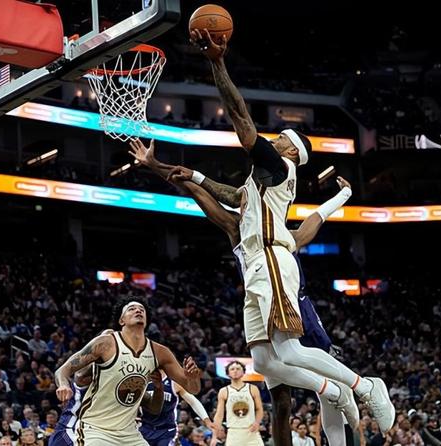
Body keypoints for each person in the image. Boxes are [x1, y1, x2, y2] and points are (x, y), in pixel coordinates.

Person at [129, 139, 357, 445]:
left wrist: (343, 195)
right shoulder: (238, 230)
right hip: (265, 307)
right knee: (282, 401)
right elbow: (197, 192)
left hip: (300, 311)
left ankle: (353, 407)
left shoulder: (283, 237)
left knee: (330, 393)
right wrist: (156, 166)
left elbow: (314, 220)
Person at [54, 297, 202, 446]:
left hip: (129, 434)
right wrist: (63, 385)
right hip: (96, 429)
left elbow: (191, 390)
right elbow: (63, 370)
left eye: (142, 309)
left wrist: (191, 378)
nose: (138, 310)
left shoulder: (160, 353)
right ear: (121, 320)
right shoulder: (105, 343)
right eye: (131, 309)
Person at [139, 371, 215, 446]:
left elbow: (193, 402)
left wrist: (206, 420)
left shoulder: (174, 382)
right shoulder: (142, 380)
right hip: (145, 427)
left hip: (167, 430)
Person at [211, 361, 264, 446]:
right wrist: (214, 436)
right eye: (232, 369)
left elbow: (259, 409)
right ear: (228, 374)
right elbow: (219, 415)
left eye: (238, 369)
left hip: (251, 431)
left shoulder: (252, 388)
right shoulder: (224, 391)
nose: (235, 371)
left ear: (243, 372)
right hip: (233, 432)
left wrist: (257, 422)